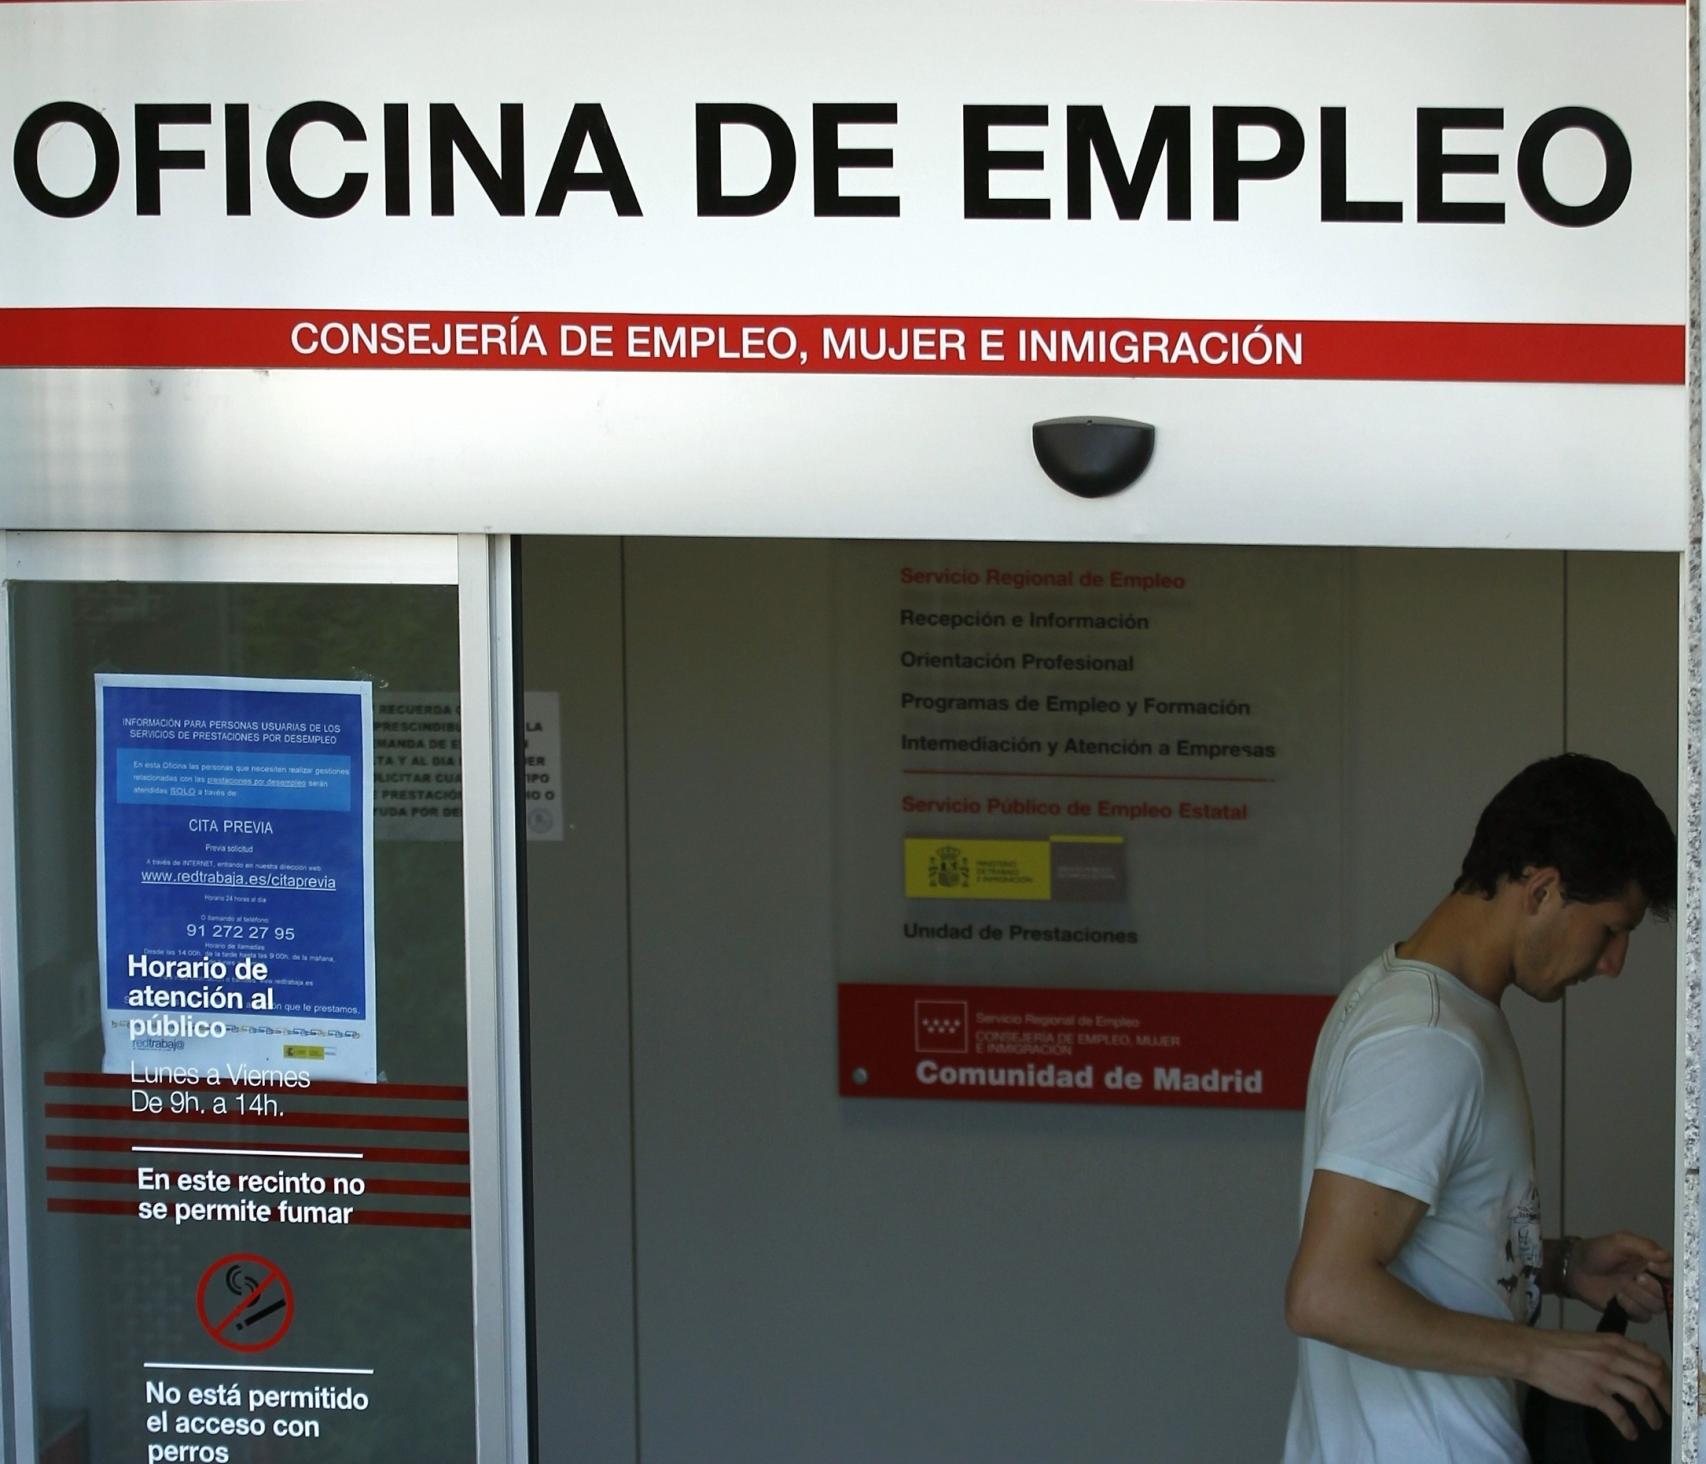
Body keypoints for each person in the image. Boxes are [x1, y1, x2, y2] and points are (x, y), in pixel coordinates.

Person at [1283, 754, 1676, 1463]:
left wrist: (1560, 1266)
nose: (1613, 963)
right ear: (1543, 890)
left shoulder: (1413, 1001)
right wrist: (1540, 1356)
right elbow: (1327, 1292)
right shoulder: (1426, 1038)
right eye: (1612, 929)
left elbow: (1418, 1244)